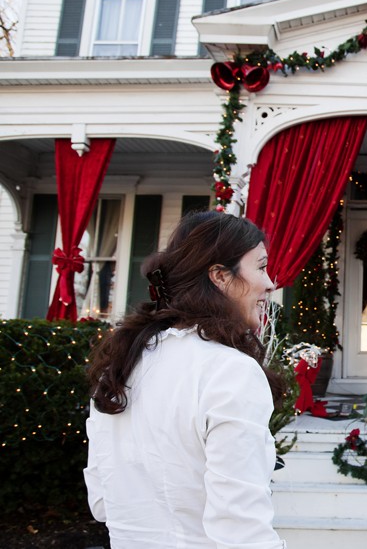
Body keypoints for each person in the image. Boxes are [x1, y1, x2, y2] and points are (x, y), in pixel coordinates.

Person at [84, 210, 287, 549]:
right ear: (220, 276)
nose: (270, 283)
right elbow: (241, 529)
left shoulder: (120, 365)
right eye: (262, 266)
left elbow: (103, 501)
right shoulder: (230, 371)